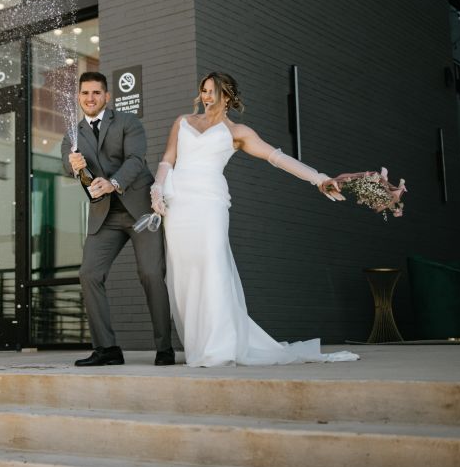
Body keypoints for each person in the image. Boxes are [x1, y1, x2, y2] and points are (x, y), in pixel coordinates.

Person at [151, 72, 358, 367]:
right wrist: (158, 186)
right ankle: (201, 342)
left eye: (213, 91)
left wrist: (319, 179)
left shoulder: (237, 132)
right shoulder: (183, 121)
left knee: (213, 264)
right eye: (204, 90)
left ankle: (220, 347)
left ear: (227, 96)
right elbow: (168, 158)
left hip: (210, 203)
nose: (207, 96)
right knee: (185, 273)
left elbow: (277, 157)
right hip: (179, 205)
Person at [62, 71, 175, 366]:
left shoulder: (128, 123)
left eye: (96, 93)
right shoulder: (73, 135)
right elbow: (66, 164)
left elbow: (136, 160)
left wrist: (113, 183)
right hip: (105, 216)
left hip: (140, 210)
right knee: (89, 274)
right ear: (79, 97)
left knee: (151, 274)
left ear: (107, 96)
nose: (90, 98)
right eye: (85, 93)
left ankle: (165, 347)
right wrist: (73, 165)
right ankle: (107, 349)